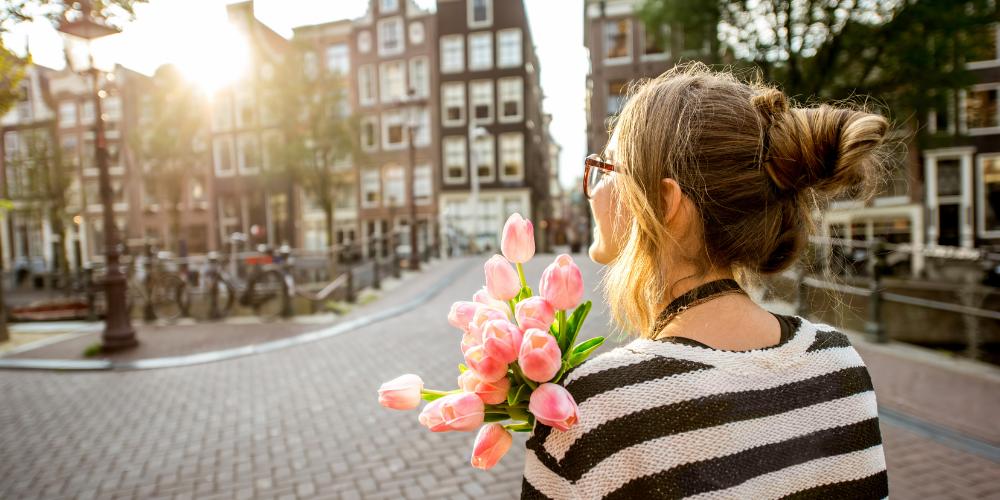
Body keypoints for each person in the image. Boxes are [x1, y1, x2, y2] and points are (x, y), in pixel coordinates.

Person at [522, 64, 889, 499]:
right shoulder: (841, 365)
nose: (595, 189)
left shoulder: (590, 409)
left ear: (665, 201)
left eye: (606, 168)